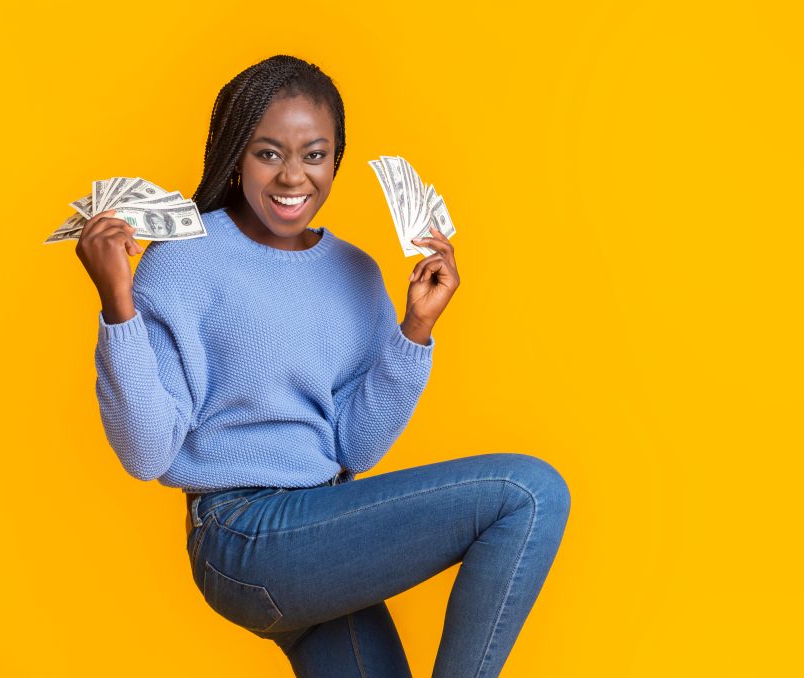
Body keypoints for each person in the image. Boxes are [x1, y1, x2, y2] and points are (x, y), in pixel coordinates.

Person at [74, 54, 571, 678]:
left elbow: (354, 446)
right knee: (529, 492)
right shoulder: (185, 260)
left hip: (323, 527)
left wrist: (416, 327)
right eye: (268, 153)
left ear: (336, 159)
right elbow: (147, 453)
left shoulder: (357, 273)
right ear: (236, 155)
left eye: (314, 154)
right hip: (243, 535)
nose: (293, 177)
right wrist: (118, 304)